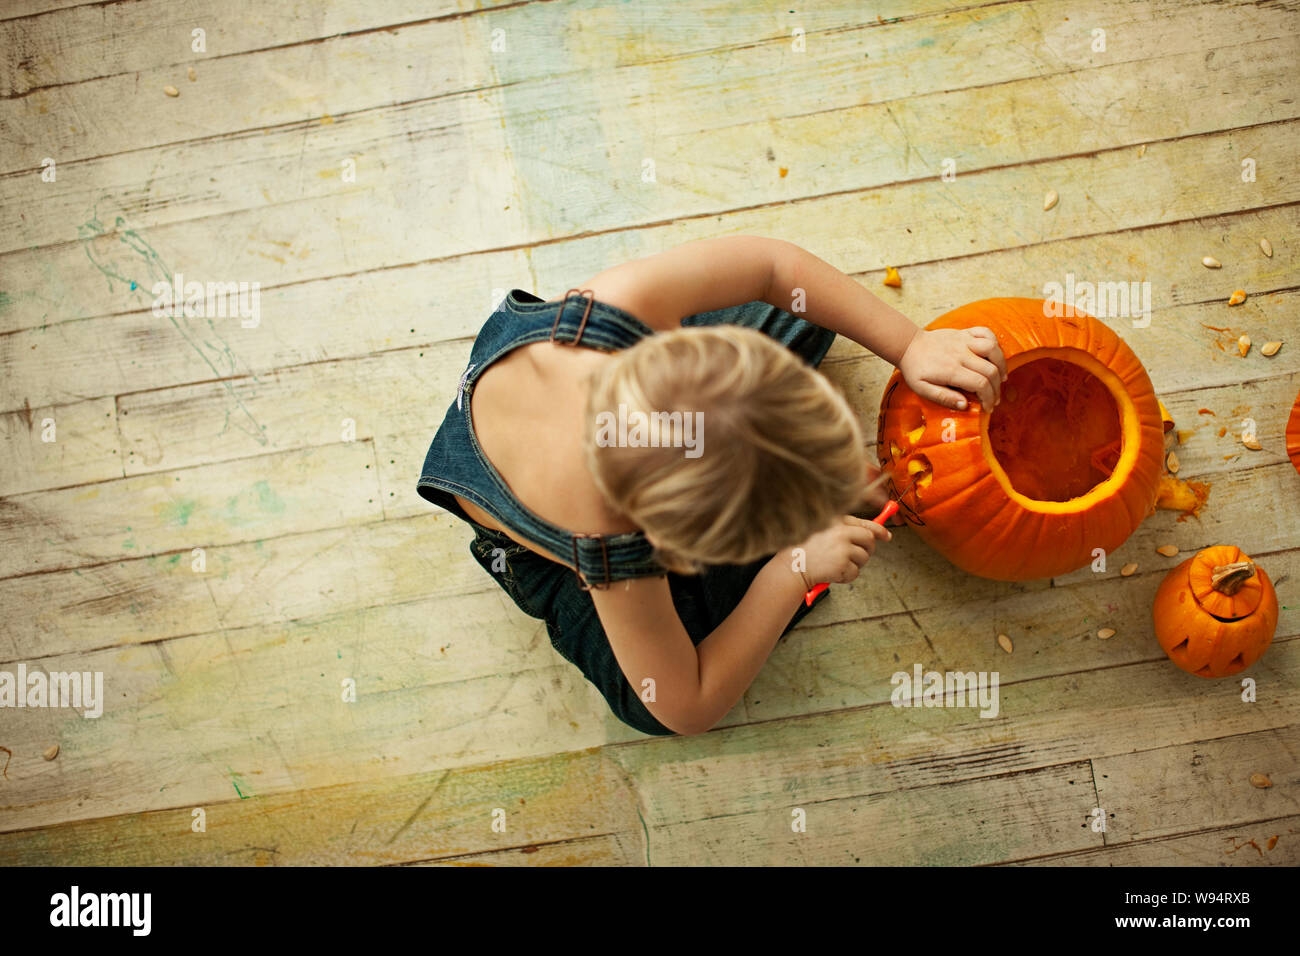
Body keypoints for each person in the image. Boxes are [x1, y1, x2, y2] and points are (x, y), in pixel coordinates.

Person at [417, 235, 1006, 736]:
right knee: (650, 698)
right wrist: (792, 568)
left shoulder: (621, 308)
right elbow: (687, 705)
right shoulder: (612, 540)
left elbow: (773, 267)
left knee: (799, 308)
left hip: (561, 398)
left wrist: (911, 345)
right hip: (538, 536)